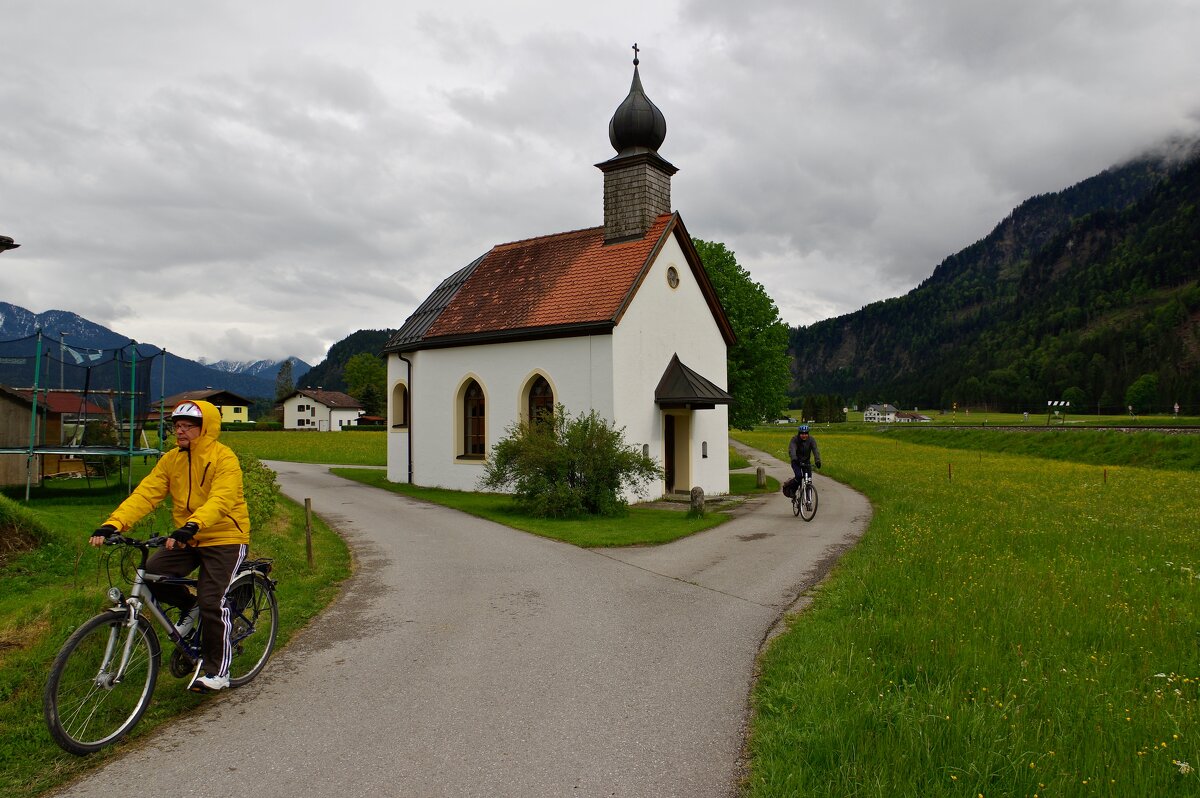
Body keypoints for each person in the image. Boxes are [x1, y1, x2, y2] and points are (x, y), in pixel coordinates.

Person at [90, 400, 251, 693]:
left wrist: (193, 524)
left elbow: (222, 499)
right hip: (188, 537)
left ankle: (218, 671)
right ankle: (189, 606)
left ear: (206, 429)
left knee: (212, 599)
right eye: (177, 426)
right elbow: (146, 495)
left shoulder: (224, 458)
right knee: (150, 573)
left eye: (188, 426)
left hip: (225, 537)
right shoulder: (171, 460)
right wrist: (113, 523)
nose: (180, 431)